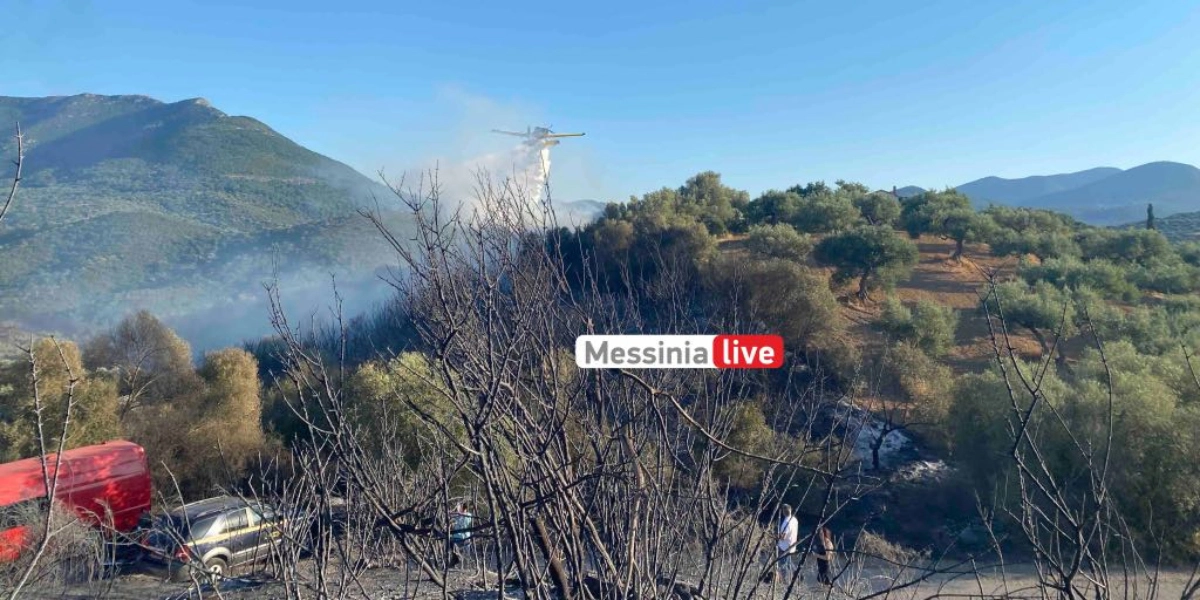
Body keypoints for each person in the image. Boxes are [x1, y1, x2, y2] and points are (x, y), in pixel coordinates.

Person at [775, 504, 799, 583]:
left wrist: (776, 536)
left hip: (784, 546)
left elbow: (783, 537)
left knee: (783, 564)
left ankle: (784, 580)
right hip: (792, 545)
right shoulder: (794, 519)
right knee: (788, 562)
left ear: (783, 512)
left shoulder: (786, 522)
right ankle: (797, 574)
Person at [448, 501, 473, 569]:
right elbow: (451, 516)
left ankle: (467, 567)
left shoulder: (468, 515)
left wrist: (456, 513)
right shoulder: (457, 516)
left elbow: (462, 514)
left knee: (467, 553)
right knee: (452, 547)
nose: (458, 508)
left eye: (459, 507)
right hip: (456, 537)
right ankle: (456, 562)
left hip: (465, 537)